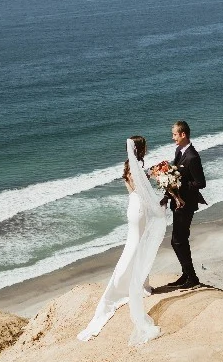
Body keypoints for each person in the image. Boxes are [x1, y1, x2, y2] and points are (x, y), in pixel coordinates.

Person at [77, 136, 167, 345]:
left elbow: (136, 186)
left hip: (133, 207)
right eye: (144, 146)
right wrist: (157, 180)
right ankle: (125, 285)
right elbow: (143, 190)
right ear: (140, 149)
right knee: (137, 246)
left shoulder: (129, 166)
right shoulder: (137, 167)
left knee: (135, 245)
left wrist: (151, 173)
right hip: (140, 209)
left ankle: (141, 283)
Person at [165, 120, 207, 289]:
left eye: (175, 134)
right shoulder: (179, 150)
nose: (173, 137)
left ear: (183, 134)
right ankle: (186, 274)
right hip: (177, 203)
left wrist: (180, 185)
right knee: (179, 240)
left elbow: (201, 183)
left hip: (187, 204)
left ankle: (192, 278)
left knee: (178, 241)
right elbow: (175, 172)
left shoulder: (192, 157)